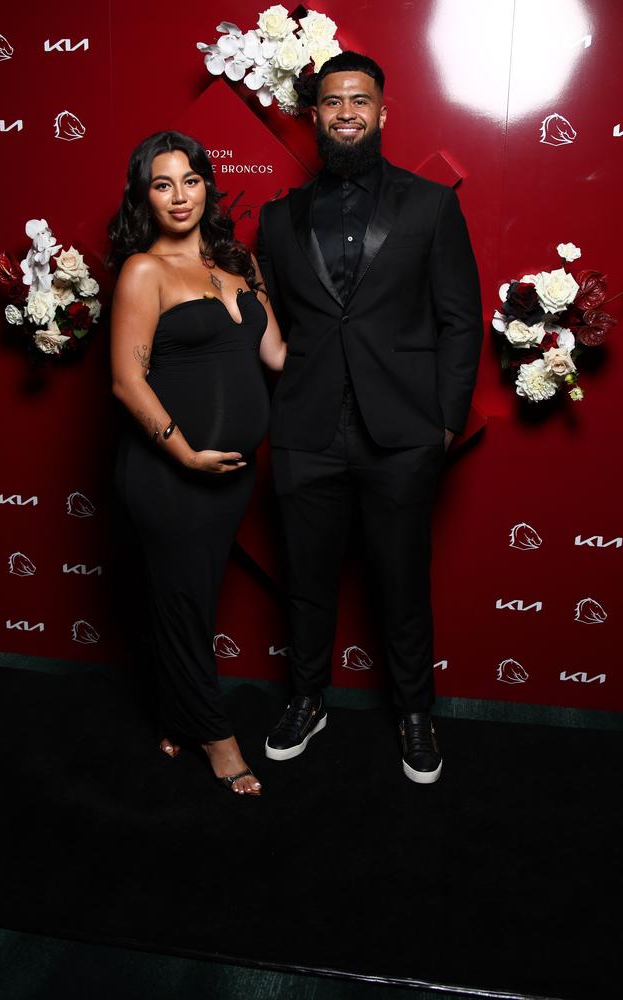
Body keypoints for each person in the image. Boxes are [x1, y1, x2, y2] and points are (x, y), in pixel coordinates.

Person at [257, 52, 483, 783]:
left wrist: (442, 425)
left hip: (402, 436)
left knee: (402, 582)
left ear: (383, 113)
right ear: (313, 115)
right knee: (305, 582)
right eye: (332, 101)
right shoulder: (276, 219)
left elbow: (461, 321)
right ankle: (307, 699)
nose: (346, 111)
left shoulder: (431, 206)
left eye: (360, 100)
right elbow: (264, 325)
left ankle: (416, 713)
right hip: (307, 431)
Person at [109, 131, 285, 796]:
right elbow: (128, 381)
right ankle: (218, 738)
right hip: (168, 471)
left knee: (190, 599)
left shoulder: (238, 267)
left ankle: (177, 715)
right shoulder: (143, 271)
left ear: (207, 185)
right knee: (182, 601)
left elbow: (277, 358)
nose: (179, 196)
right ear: (143, 196)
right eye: (162, 184)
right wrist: (185, 451)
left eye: (189, 180)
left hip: (229, 478)